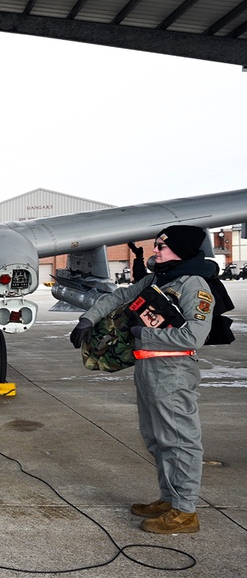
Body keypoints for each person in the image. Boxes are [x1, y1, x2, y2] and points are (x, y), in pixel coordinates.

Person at [69, 225, 214, 534]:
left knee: (179, 442)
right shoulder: (157, 280)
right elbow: (120, 296)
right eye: (156, 244)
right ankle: (169, 499)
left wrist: (141, 333)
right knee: (156, 439)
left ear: (182, 251)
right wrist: (87, 319)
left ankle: (186, 512)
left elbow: (194, 335)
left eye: (163, 245)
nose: (156, 250)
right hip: (148, 369)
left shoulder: (193, 285)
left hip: (173, 372)